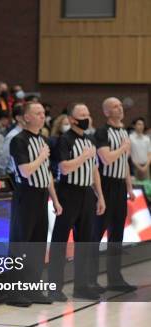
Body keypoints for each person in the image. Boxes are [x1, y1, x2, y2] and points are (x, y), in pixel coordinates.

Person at [48, 103, 106, 301]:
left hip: (87, 193)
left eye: (88, 114)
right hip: (68, 193)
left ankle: (81, 286)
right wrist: (83, 157)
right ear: (72, 119)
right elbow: (64, 168)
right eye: (82, 114)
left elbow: (95, 170)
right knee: (60, 242)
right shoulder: (64, 140)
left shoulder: (90, 140)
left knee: (85, 242)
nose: (86, 117)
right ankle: (55, 288)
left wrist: (100, 196)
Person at [8, 102, 62, 307]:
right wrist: (41, 156)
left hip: (41, 197)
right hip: (26, 196)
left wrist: (55, 199)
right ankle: (14, 292)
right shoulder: (18, 140)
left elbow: (47, 174)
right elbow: (26, 171)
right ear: (26, 117)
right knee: (21, 243)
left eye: (43, 113)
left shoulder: (42, 140)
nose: (42, 116)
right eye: (37, 113)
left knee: (38, 245)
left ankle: (33, 288)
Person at [88, 97, 137, 294]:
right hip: (105, 186)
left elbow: (123, 162)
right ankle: (89, 279)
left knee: (117, 235)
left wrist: (130, 186)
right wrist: (124, 148)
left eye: (120, 105)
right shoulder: (101, 132)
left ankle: (115, 278)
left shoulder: (124, 131)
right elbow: (106, 159)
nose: (120, 108)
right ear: (107, 112)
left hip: (119, 187)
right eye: (115, 106)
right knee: (97, 234)